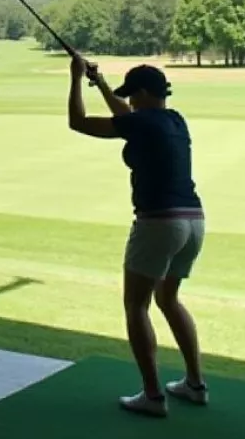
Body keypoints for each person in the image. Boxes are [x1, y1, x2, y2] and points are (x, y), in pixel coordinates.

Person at [66, 56, 207, 418]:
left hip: (158, 223)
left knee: (136, 306)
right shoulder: (175, 120)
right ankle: (194, 385)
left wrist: (76, 79)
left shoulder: (143, 122)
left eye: (132, 95)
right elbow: (129, 119)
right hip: (193, 221)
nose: (128, 101)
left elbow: (78, 122)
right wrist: (100, 84)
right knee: (169, 300)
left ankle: (152, 395)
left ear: (144, 94)